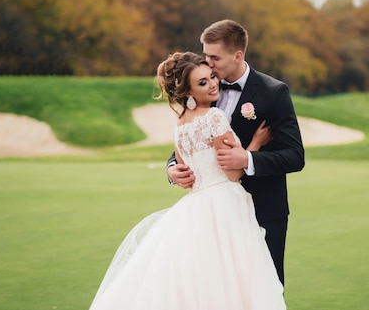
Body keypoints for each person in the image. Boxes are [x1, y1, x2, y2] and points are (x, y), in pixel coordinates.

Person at [88, 52, 286, 309]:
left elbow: (185, 171)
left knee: (200, 278)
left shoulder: (180, 124)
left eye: (212, 76)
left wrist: (173, 171)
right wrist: (256, 144)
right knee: (231, 276)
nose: (213, 83)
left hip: (195, 207)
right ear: (189, 92)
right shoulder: (214, 118)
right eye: (202, 83)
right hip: (225, 203)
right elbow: (233, 172)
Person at [167, 19, 305, 285]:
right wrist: (172, 168)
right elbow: (190, 139)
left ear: (237, 55)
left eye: (214, 57)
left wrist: (248, 159)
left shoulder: (273, 92)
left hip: (263, 211)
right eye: (205, 54)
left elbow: (295, 156)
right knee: (216, 290)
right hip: (214, 216)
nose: (207, 62)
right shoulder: (204, 86)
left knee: (264, 291)